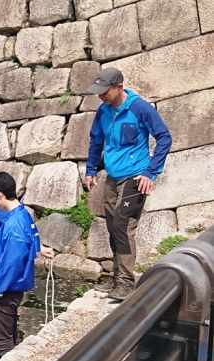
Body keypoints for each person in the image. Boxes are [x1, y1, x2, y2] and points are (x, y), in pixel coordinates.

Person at [85, 67, 172, 300]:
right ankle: (117, 279)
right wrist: (91, 169)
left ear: (119, 87)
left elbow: (164, 137)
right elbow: (96, 141)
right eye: (98, 92)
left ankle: (126, 282)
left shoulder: (140, 108)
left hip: (135, 177)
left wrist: (150, 172)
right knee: (113, 227)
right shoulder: (103, 111)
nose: (100, 96)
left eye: (104, 91)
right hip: (113, 177)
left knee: (123, 226)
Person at [0, 172, 52, 357]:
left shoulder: (13, 224)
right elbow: (30, 242)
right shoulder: (23, 215)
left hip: (5, 289)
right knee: (11, 335)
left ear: (0, 195)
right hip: (13, 288)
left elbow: (11, 262)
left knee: (2, 341)